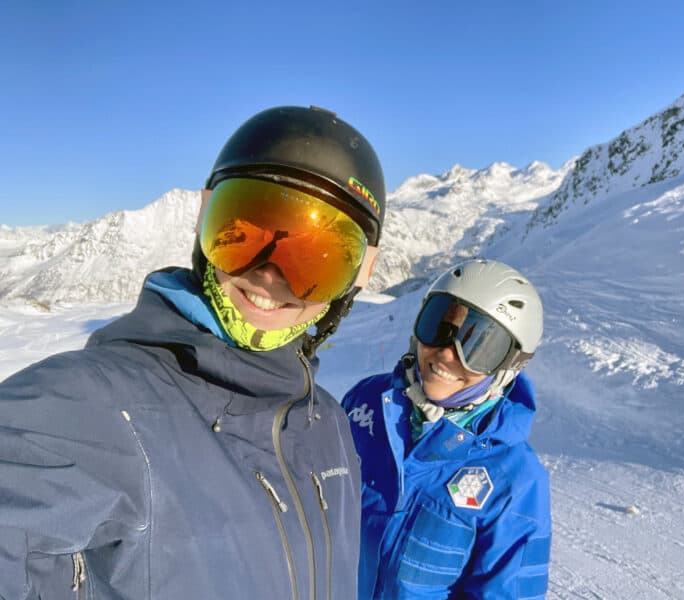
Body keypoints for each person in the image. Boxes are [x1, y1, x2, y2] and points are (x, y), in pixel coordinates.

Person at [0, 105, 386, 599]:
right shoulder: (104, 405)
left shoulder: (327, 422)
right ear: (205, 220)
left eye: (316, 258)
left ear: (359, 276)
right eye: (243, 234)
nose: (270, 275)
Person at [342, 259, 551, 599]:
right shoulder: (366, 402)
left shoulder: (515, 479)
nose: (447, 355)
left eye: (477, 347)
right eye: (439, 327)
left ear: (508, 366)